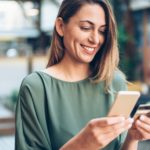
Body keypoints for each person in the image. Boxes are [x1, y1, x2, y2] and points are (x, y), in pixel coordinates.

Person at [15, 0, 150, 150]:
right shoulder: (36, 87)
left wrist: (132, 138)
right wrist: (82, 144)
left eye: (102, 31)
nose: (95, 39)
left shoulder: (114, 82)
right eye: (86, 28)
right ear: (60, 26)